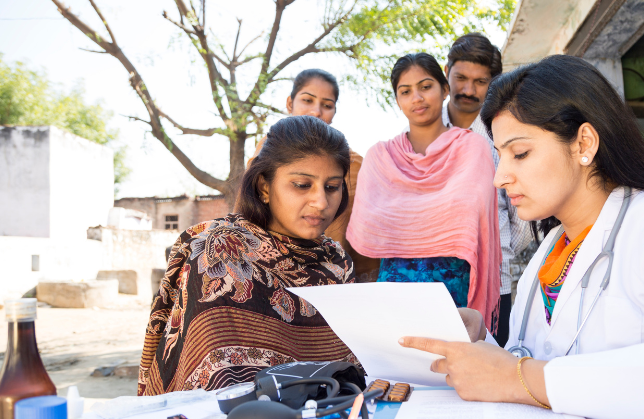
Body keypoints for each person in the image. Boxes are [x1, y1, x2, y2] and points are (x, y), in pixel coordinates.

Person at [399, 55, 644, 419]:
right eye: (500, 157)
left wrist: (522, 377)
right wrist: (481, 342)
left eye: (520, 153)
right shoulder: (550, 251)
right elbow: (534, 360)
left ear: (584, 144)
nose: (500, 178)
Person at [138, 116, 361, 395]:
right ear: (264, 187)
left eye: (332, 187)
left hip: (338, 415)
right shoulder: (220, 252)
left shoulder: (337, 262)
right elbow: (218, 385)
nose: (321, 201)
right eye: (302, 184)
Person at [347, 53, 502, 332]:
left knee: (452, 356)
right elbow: (368, 225)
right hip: (394, 285)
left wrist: (405, 219)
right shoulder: (381, 157)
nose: (416, 98)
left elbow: (472, 218)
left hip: (451, 284)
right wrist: (435, 218)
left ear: (445, 89)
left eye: (426, 86)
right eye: (405, 91)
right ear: (397, 100)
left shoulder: (473, 149)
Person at [443, 33, 533, 346]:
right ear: (446, 72)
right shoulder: (419, 133)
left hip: (495, 283)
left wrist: (496, 250)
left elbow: (524, 219)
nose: (468, 90)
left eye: (480, 82)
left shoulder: (505, 135)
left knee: (490, 363)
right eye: (461, 78)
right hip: (433, 279)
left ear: (493, 83)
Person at [253, 68, 380, 282]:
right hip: (267, 271)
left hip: (334, 278)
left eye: (327, 105)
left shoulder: (356, 166)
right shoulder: (266, 151)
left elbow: (365, 233)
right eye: (307, 100)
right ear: (290, 103)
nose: (316, 111)